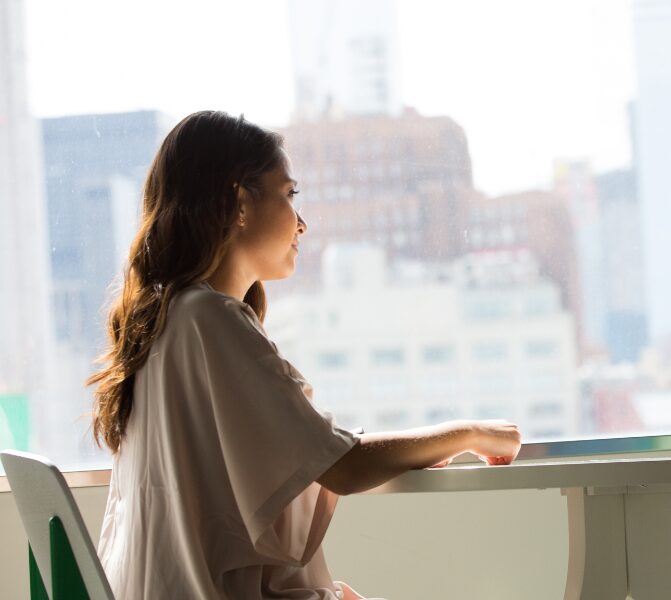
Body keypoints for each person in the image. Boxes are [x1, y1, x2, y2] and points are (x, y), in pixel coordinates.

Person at [87, 110, 522, 599]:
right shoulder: (209, 320)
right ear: (239, 202)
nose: (303, 223)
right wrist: (467, 433)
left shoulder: (163, 323)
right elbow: (342, 465)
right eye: (290, 195)